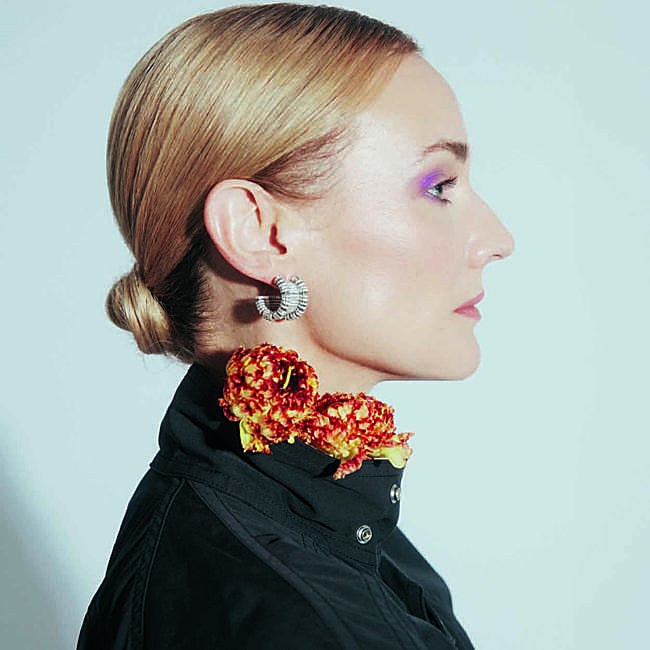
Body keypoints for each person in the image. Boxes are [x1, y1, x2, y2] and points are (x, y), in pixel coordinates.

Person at [78, 3, 514, 649]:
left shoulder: (316, 519)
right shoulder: (295, 618)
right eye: (438, 186)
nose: (497, 239)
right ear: (257, 231)